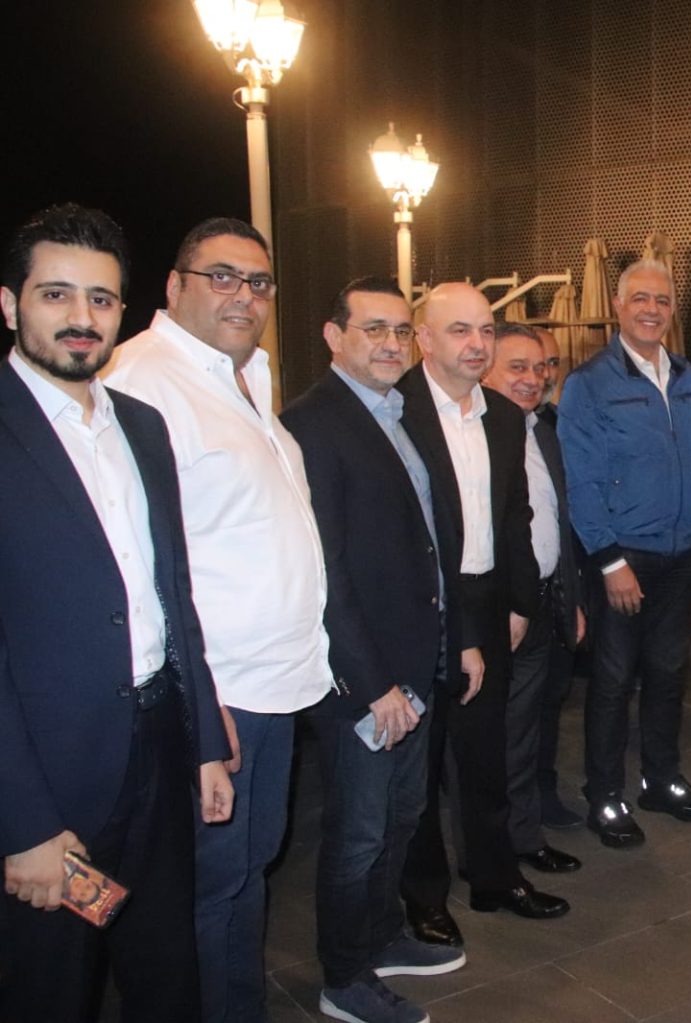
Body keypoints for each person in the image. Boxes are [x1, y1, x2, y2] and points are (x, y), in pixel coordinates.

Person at [0, 204, 232, 1023]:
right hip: (49, 781)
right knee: (52, 990)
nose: (81, 317)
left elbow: (173, 591)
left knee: (166, 973)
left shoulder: (141, 424)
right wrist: (22, 823)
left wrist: (204, 743)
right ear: (10, 303)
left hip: (159, 751)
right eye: (56, 294)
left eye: (100, 299)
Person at [105, 217, 333, 1021]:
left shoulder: (243, 376)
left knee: (246, 870)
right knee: (204, 884)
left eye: (258, 282)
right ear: (175, 287)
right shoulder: (141, 379)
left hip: (274, 684)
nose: (244, 295)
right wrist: (198, 707)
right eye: (222, 276)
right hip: (217, 694)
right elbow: (136, 568)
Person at [282, 277, 464, 1023]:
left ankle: (383, 933)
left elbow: (424, 541)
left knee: (401, 815)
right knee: (358, 833)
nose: (391, 344)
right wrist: (370, 683)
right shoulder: (312, 424)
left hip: (414, 661)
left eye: (400, 330)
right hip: (365, 678)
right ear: (334, 336)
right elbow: (324, 570)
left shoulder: (396, 413)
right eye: (374, 330)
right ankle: (345, 976)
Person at [395, 284, 567, 932]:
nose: (477, 344)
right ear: (425, 338)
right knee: (420, 763)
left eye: (486, 330)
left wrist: (520, 602)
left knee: (486, 754)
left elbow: (516, 515)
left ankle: (496, 878)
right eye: (460, 330)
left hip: (491, 599)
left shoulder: (503, 416)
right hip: (424, 602)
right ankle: (425, 896)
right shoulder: (397, 410)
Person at [559, 259, 691, 847]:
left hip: (682, 554)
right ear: (619, 307)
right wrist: (609, 560)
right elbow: (582, 481)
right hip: (625, 557)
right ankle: (604, 795)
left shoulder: (686, 375)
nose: (652, 309)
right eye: (640, 299)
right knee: (614, 679)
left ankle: (661, 779)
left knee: (669, 674)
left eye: (662, 300)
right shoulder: (590, 382)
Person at [479, 323, 588, 864]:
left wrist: (570, 599)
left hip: (545, 600)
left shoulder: (541, 430)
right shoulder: (474, 436)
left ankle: (522, 834)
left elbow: (558, 522)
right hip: (499, 610)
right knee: (498, 735)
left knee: (529, 726)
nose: (534, 378)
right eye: (517, 367)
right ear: (485, 370)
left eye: (541, 367)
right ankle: (502, 848)